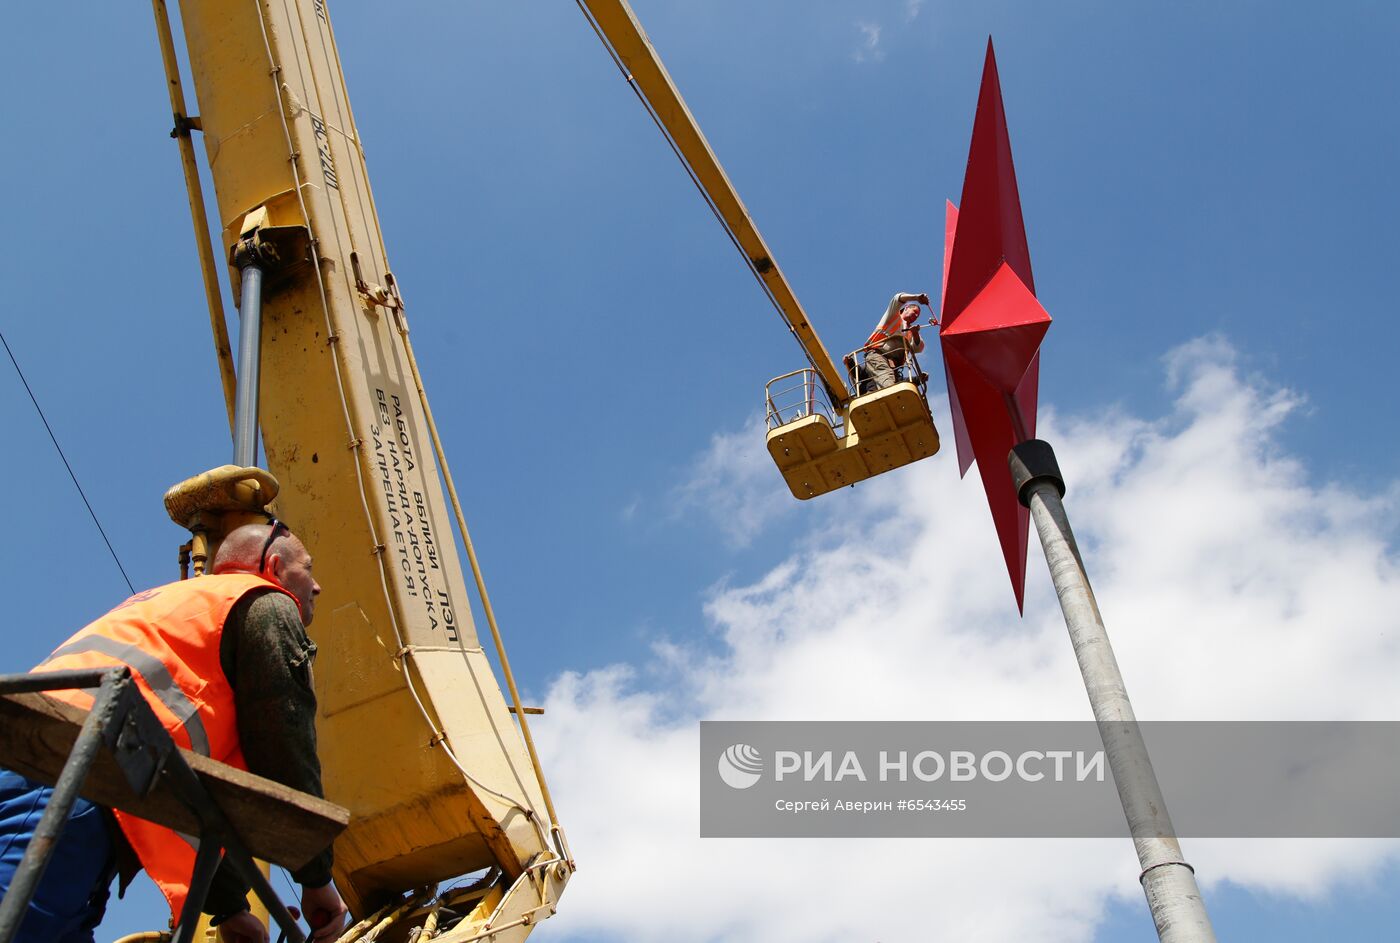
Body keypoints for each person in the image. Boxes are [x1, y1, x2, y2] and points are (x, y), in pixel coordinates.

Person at [0, 521, 349, 943]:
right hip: (66, 776)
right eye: (309, 569)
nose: (317, 587)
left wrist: (230, 906)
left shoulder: (176, 606)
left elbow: (192, 791)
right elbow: (283, 740)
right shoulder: (263, 602)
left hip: (59, 774)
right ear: (274, 567)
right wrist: (316, 877)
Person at [858, 291, 931, 393]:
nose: (915, 316)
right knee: (888, 382)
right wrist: (917, 297)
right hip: (878, 354)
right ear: (906, 308)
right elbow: (897, 298)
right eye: (914, 311)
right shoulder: (893, 316)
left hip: (893, 366)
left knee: (890, 381)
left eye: (917, 316)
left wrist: (915, 333)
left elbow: (919, 348)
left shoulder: (911, 331)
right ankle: (891, 395)